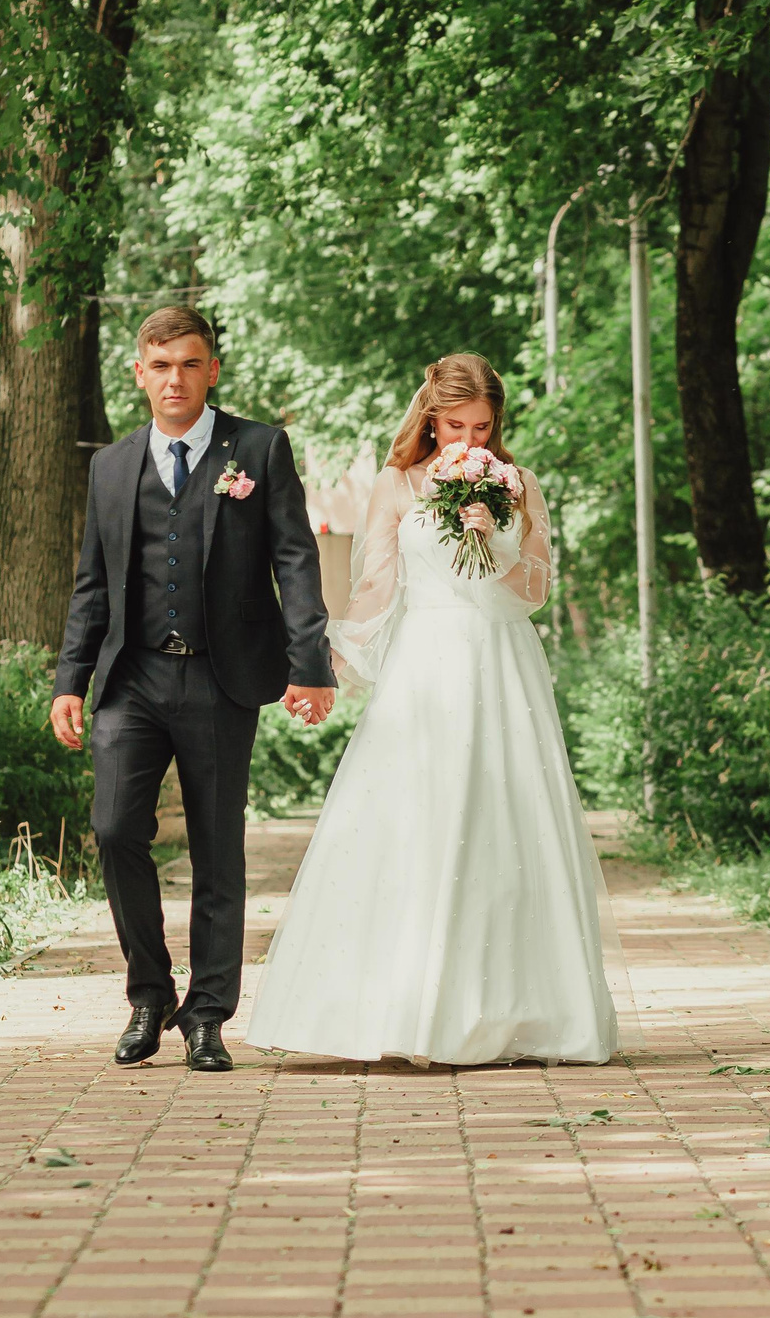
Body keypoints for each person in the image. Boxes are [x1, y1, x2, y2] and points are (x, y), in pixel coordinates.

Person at [247, 354, 618, 1066]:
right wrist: (322, 666)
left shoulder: (520, 484)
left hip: (500, 662)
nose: (469, 441)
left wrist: (494, 535)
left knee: (504, 828)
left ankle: (513, 1011)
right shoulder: (395, 484)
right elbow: (377, 590)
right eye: (455, 425)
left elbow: (535, 587)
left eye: (482, 427)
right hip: (424, 669)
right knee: (410, 822)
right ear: (430, 418)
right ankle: (396, 1008)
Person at [50, 306, 335, 1072]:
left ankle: (207, 1013)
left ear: (211, 370)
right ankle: (149, 991)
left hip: (220, 674)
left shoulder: (258, 449)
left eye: (189, 363)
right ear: (139, 372)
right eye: (160, 364)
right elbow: (91, 584)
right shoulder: (110, 467)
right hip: (131, 678)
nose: (175, 378)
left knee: (218, 848)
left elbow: (295, 560)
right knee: (114, 829)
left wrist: (310, 662)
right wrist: (69, 679)